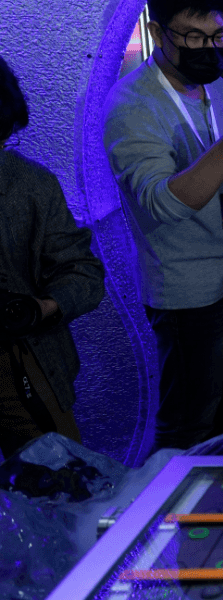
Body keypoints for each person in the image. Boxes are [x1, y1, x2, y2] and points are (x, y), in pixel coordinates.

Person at [103, 0, 223, 451]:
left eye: (218, 37)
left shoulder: (217, 86)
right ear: (157, 32)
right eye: (193, 37)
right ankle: (169, 516)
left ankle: (215, 509)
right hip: (187, 289)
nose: (209, 49)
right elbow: (161, 203)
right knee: (188, 422)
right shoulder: (131, 105)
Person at [0, 56, 106, 459]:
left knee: (58, 487)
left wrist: (43, 307)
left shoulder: (29, 184)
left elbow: (81, 271)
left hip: (25, 362)